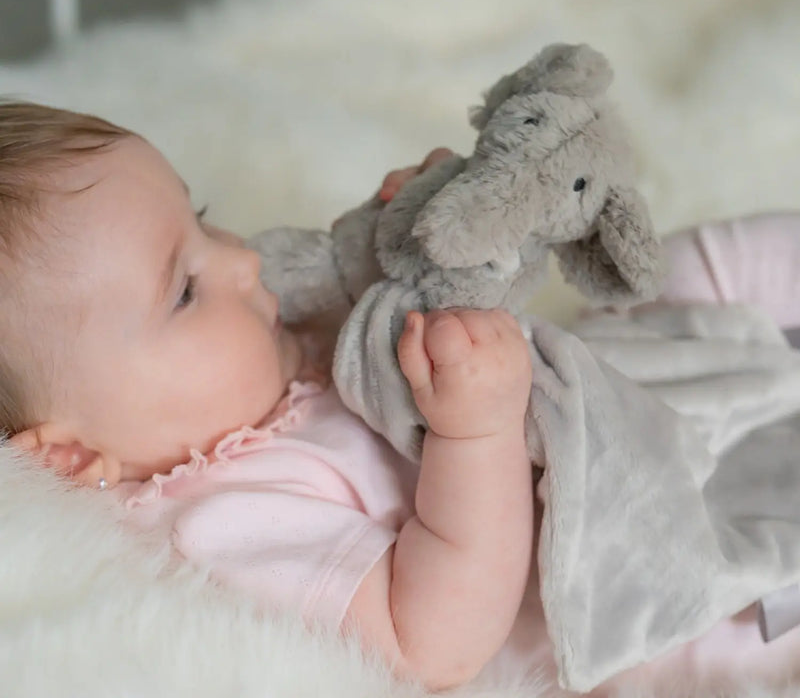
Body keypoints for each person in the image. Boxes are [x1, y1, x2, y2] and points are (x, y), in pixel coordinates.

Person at [1, 99, 799, 695]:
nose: (241, 263)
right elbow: (435, 640)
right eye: (184, 290)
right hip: (604, 572)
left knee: (690, 282)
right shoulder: (230, 519)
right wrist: (475, 437)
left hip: (593, 406)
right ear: (72, 454)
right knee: (734, 625)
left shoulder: (242, 374)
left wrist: (408, 229)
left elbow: (355, 289)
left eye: (203, 218)